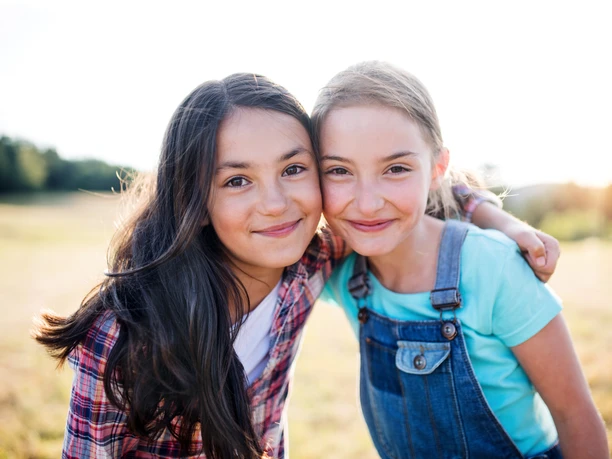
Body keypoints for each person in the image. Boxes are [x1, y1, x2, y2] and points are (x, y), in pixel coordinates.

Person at [33, 72, 560, 458]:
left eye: (293, 169)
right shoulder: (124, 335)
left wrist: (501, 220)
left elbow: (409, 186)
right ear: (193, 197)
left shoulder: (309, 262)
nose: (277, 203)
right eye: (237, 180)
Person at [315, 61, 608, 459]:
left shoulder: (493, 266)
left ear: (438, 167)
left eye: (396, 168)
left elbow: (575, 417)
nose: (367, 203)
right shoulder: (341, 272)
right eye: (338, 170)